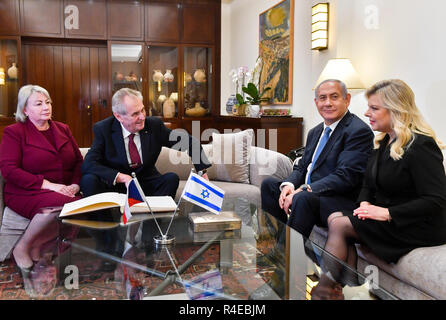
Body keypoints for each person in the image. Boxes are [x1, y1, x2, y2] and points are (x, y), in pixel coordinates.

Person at [312, 79, 446, 299]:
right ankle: (339, 289)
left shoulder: (422, 145)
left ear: (396, 110)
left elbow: (435, 200)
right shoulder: (383, 142)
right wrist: (364, 203)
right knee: (336, 217)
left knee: (339, 223)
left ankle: (325, 291)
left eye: (374, 108)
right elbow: (367, 184)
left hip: (416, 225)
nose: (366, 113)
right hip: (388, 218)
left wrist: (387, 213)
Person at [261, 79, 374, 238]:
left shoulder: (357, 131)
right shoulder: (315, 132)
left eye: (334, 97)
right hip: (311, 193)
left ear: (347, 99)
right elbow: (302, 167)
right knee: (269, 186)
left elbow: (346, 176)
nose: (327, 103)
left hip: (337, 198)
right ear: (316, 102)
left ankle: (289, 256)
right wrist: (290, 185)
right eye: (322, 98)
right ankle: (274, 241)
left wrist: (305, 189)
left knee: (302, 198)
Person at [0, 85, 83, 273]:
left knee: (79, 203)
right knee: (63, 203)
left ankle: (39, 247)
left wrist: (75, 185)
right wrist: (49, 185)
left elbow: (79, 161)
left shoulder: (63, 129)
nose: (46, 107)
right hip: (25, 192)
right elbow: (8, 170)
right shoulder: (14, 132)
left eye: (48, 102)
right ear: (25, 110)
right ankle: (22, 247)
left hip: (64, 189)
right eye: (38, 104)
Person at [80, 87, 211, 198]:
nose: (142, 117)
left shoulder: (153, 126)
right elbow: (88, 164)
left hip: (146, 183)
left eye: (142, 110)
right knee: (88, 181)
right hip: (117, 187)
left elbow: (189, 142)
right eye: (135, 114)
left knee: (171, 179)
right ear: (118, 116)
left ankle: (154, 224)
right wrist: (121, 177)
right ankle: (106, 227)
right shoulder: (104, 129)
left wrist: (202, 172)